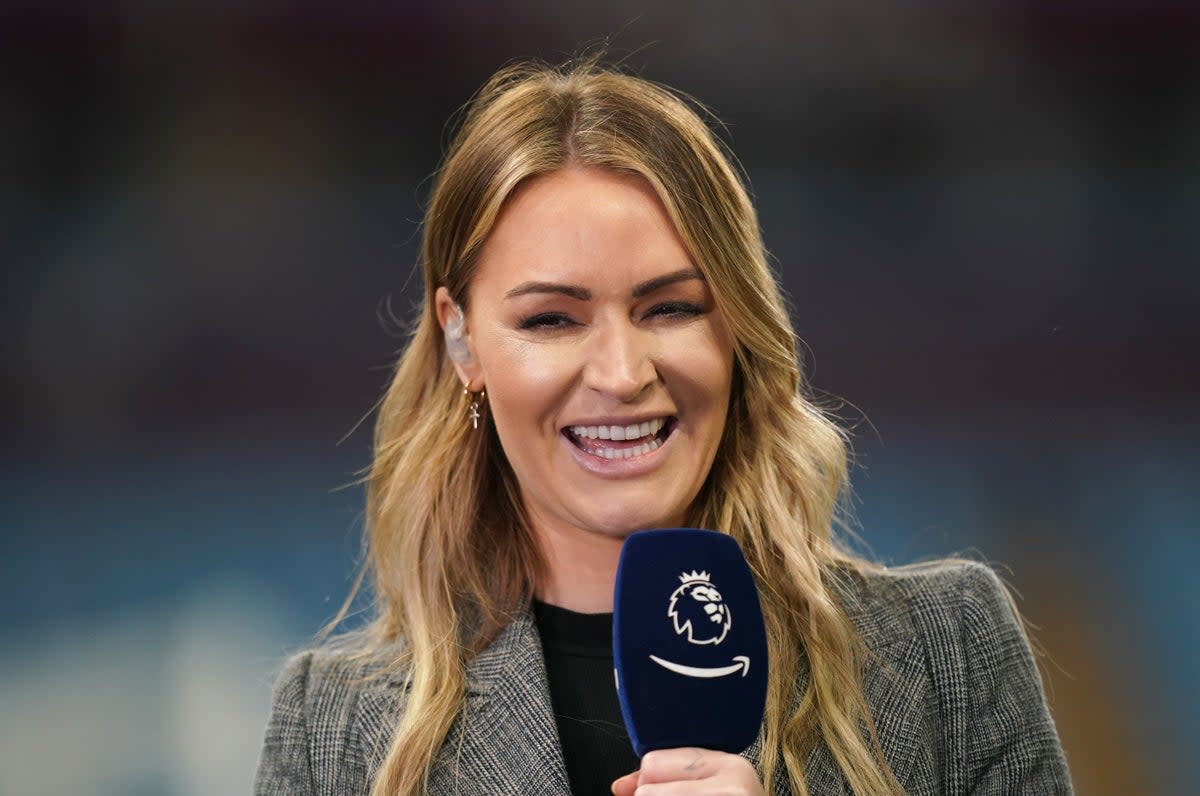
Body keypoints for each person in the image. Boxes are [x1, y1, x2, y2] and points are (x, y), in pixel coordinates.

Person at [254, 58, 1073, 796]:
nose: (622, 373)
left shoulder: (944, 655)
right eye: (551, 320)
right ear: (461, 338)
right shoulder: (335, 731)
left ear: (739, 327)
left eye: (671, 307)